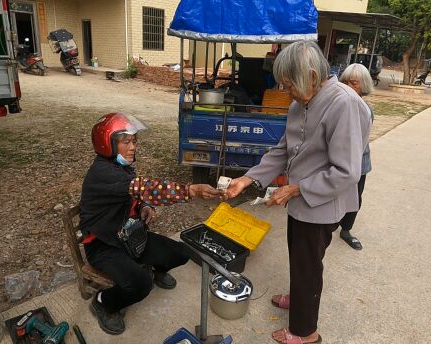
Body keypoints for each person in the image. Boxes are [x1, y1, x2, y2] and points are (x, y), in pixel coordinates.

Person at [223, 41, 371, 344]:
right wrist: (248, 179)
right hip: (299, 199)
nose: (286, 91)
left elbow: (347, 171)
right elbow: (282, 150)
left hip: (321, 202)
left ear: (313, 76)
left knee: (308, 264)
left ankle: (305, 332)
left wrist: (297, 188)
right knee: (301, 257)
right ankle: (299, 297)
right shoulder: (301, 102)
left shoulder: (343, 103)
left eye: (290, 85)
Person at [79, 113, 219, 335]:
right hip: (103, 244)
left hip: (128, 236)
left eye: (134, 141)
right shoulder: (102, 173)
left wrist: (145, 206)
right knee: (141, 284)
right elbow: (144, 187)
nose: (132, 147)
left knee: (181, 253)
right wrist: (189, 190)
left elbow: (135, 192)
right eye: (126, 142)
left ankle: (156, 269)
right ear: (107, 143)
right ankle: (103, 302)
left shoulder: (120, 167)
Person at [338, 63, 375, 250]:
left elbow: (358, 142)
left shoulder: (366, 110)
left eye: (353, 83)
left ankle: (346, 230)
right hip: (336, 161)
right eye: (344, 82)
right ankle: (329, 223)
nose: (347, 87)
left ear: (363, 85)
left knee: (355, 197)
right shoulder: (336, 105)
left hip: (359, 162)